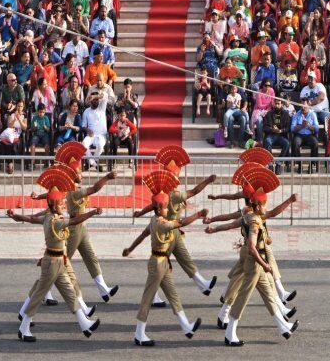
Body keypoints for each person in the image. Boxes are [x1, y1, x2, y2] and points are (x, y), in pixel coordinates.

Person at [123, 168, 207, 346]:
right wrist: (198, 215)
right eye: (165, 206)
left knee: (173, 294)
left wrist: (130, 248)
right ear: (159, 208)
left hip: (162, 262)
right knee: (147, 298)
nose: (168, 208)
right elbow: (182, 222)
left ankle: (186, 326)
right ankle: (139, 334)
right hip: (157, 263)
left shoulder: (154, 221)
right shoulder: (162, 224)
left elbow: (142, 236)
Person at [9, 183, 102, 343]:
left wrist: (16, 216)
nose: (64, 205)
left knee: (69, 292)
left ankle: (84, 323)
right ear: (54, 205)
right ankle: (24, 328)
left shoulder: (48, 216)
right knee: (39, 294)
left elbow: (30, 219)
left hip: (59, 261)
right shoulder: (54, 221)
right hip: (52, 263)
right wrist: (92, 212)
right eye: (61, 203)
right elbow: (74, 221)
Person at [222, 165, 298, 346]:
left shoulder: (251, 215)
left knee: (270, 296)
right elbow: (251, 246)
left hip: (258, 263)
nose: (266, 207)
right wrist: (264, 264)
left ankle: (283, 327)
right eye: (264, 204)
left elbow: (231, 225)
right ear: (257, 205)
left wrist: (214, 227)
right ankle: (229, 332)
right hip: (254, 264)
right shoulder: (254, 220)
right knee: (242, 297)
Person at [133, 148, 218, 298]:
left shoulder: (163, 193)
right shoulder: (175, 195)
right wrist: (208, 180)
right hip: (168, 232)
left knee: (184, 258)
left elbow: (151, 205)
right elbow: (194, 191)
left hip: (174, 232)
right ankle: (153, 296)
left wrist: (140, 213)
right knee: (160, 264)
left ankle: (203, 284)